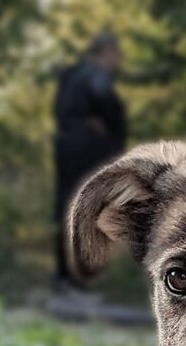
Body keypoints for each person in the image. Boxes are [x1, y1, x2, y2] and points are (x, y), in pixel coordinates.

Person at [53, 32, 126, 291]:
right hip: (87, 150)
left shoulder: (71, 74)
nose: (118, 60)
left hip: (67, 147)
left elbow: (63, 112)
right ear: (106, 52)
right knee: (82, 211)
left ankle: (65, 278)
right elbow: (108, 111)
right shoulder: (96, 75)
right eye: (116, 54)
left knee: (66, 208)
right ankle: (74, 282)